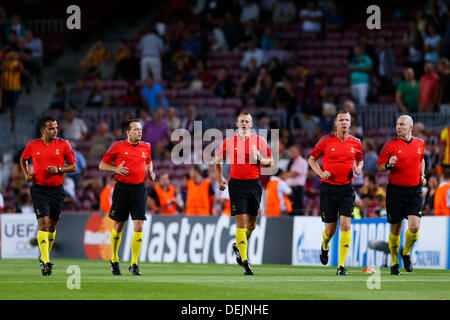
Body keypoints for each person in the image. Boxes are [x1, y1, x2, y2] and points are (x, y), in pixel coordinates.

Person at [214, 111, 273, 275]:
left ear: (252, 125)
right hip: (236, 184)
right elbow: (217, 162)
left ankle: (238, 245)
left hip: (254, 184)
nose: (245, 123)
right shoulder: (229, 142)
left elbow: (270, 161)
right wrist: (220, 180)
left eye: (248, 121)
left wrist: (260, 158)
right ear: (237, 124)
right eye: (242, 121)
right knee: (240, 222)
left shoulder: (259, 141)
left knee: (252, 224)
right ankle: (245, 263)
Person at [308, 109, 363, 275]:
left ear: (350, 123)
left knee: (346, 224)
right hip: (328, 189)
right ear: (335, 123)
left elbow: (360, 160)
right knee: (330, 230)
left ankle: (341, 266)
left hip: (347, 188)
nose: (344, 123)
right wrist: (320, 173)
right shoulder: (325, 141)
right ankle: (325, 245)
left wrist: (358, 168)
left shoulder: (356, 142)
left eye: (347, 120)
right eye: (341, 120)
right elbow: (311, 159)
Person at [20, 116, 77, 276]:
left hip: (57, 191)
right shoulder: (32, 145)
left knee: (52, 227)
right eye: (51, 128)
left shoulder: (63, 144)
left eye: (56, 127)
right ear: (43, 130)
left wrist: (59, 169)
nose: (55, 130)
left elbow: (73, 166)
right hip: (39, 190)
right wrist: (26, 174)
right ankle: (45, 261)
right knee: (43, 224)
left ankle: (44, 257)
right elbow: (23, 159)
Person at [99, 119, 156, 276]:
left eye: (140, 129)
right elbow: (102, 165)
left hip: (139, 189)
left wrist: (150, 171)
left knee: (139, 226)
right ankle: (115, 259)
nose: (140, 132)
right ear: (128, 132)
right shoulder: (117, 146)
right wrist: (115, 168)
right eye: (136, 129)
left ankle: (134, 264)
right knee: (119, 225)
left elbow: (149, 161)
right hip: (122, 189)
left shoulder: (147, 146)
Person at [377, 115, 426, 275]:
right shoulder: (390, 145)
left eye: (402, 124)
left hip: (414, 191)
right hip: (395, 192)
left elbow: (421, 160)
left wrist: (422, 175)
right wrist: (388, 164)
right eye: (397, 124)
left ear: (410, 127)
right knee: (396, 229)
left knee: (414, 226)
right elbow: (380, 168)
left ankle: (406, 253)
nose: (399, 127)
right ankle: (394, 263)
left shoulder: (420, 143)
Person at [284, 144, 308, 215]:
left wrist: (283, 176)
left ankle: (298, 224)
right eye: (290, 151)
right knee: (290, 208)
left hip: (297, 189)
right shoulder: (291, 162)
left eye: (293, 151)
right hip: (290, 188)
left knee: (297, 208)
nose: (291, 153)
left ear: (299, 152)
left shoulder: (301, 161)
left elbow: (294, 173)